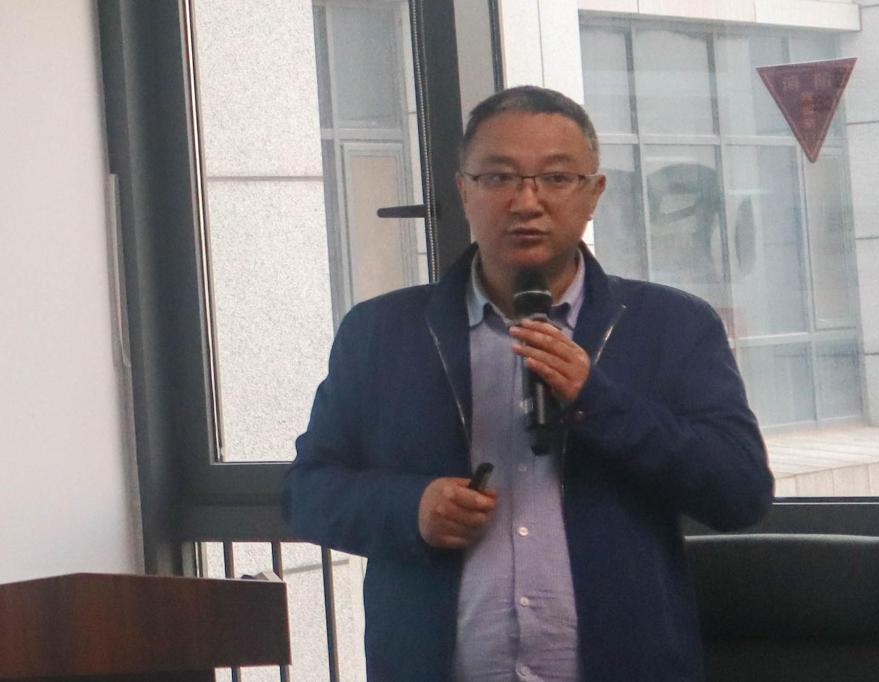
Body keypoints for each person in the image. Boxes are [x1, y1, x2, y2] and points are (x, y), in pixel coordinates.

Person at [283, 85, 773, 682]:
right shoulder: (381, 332)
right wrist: (411, 509)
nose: (526, 201)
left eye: (557, 178)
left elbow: (741, 491)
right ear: (464, 191)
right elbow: (307, 492)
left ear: (593, 194)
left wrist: (599, 402)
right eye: (498, 178)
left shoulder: (672, 325)